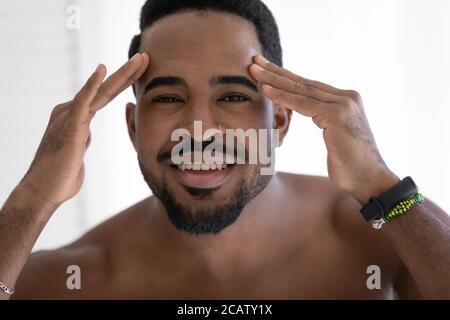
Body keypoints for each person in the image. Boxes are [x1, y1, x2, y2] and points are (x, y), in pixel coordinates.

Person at [1, 0, 449, 300]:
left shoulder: (382, 238)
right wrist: (31, 201)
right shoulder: (71, 281)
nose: (199, 130)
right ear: (134, 127)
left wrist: (379, 184)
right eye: (169, 98)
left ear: (279, 120)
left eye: (233, 96)